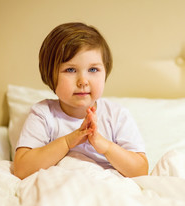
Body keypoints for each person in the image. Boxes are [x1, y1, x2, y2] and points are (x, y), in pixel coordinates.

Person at [13, 22, 148, 179]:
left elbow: (141, 170)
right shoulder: (44, 113)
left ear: (105, 73)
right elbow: (22, 169)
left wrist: (104, 146)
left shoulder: (117, 115)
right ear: (50, 75)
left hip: (105, 185)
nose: (83, 81)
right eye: (70, 70)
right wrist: (68, 141)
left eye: (93, 69)